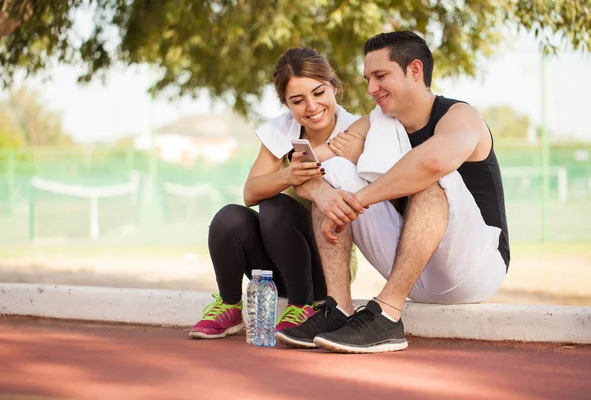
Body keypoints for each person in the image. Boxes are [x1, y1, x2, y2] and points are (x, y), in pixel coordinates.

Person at [276, 31, 510, 353]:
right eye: (368, 78)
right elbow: (308, 165)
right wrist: (321, 193)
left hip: (473, 269)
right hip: (413, 268)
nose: (371, 88)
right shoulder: (377, 122)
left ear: (415, 70)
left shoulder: (459, 116)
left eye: (380, 76)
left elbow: (433, 161)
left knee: (431, 178)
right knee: (336, 176)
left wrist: (360, 192)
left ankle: (386, 315)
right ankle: (339, 307)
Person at [189, 48, 363, 339]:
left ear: (334, 87)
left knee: (275, 207)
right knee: (229, 217)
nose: (311, 106)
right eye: (297, 100)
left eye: (319, 92)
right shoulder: (282, 130)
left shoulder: (356, 130)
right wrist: (287, 175)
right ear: (287, 104)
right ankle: (230, 306)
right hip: (276, 267)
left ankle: (302, 306)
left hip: (327, 271)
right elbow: (250, 193)